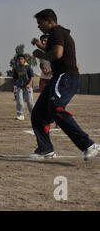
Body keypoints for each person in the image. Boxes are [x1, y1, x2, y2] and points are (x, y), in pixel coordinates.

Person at [30, 8, 99, 160]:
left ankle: (88, 145)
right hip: (60, 78)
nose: (38, 26)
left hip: (66, 77)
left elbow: (57, 54)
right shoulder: (56, 34)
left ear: (49, 21)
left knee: (56, 107)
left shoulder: (56, 32)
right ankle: (46, 148)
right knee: (38, 113)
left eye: (40, 23)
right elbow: (52, 49)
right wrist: (40, 46)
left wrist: (40, 54)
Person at [12, 54, 34, 121]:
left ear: (24, 60)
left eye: (21, 59)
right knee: (19, 101)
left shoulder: (28, 67)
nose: (20, 60)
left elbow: (32, 77)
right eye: (19, 59)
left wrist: (29, 84)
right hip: (20, 86)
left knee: (29, 101)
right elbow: (14, 78)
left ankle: (33, 114)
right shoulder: (17, 68)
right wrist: (15, 86)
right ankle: (20, 115)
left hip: (28, 87)